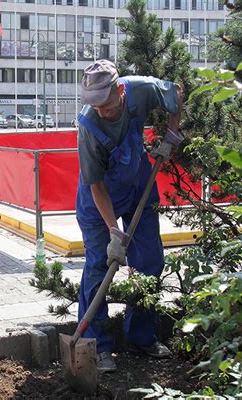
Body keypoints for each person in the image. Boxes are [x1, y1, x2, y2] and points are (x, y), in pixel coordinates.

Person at [75, 60, 183, 372]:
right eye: (93, 104)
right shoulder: (89, 127)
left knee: (149, 261)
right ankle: (97, 347)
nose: (99, 110)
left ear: (120, 91)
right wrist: (113, 232)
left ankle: (141, 336)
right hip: (100, 202)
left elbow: (175, 93)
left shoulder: (141, 90)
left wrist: (171, 136)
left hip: (139, 185)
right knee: (99, 268)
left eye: (105, 104)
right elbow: (96, 186)